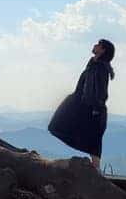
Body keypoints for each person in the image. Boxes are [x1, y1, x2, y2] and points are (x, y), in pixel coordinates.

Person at [48, 39, 115, 172]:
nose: (94, 45)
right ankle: (96, 167)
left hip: (92, 106)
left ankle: (96, 169)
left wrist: (96, 108)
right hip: (82, 102)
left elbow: (101, 90)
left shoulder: (101, 68)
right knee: (62, 124)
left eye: (98, 45)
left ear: (103, 50)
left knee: (94, 137)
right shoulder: (93, 64)